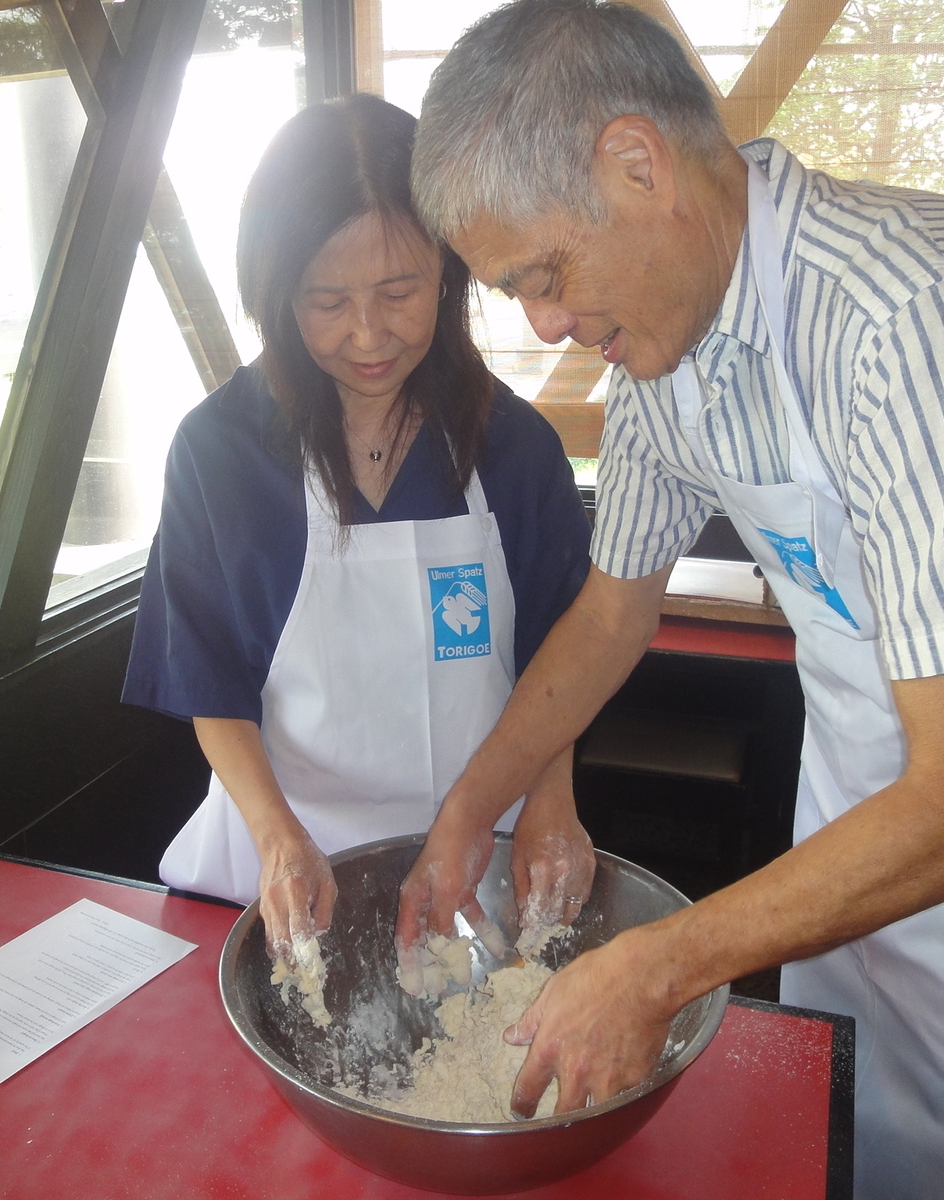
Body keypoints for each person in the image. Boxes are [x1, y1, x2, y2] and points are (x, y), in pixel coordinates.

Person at [395, 3, 944, 1197]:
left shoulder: (912, 320)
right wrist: (470, 809)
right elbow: (613, 618)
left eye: (545, 274)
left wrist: (660, 964)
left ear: (637, 163)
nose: (545, 324)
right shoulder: (665, 356)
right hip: (865, 760)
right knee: (842, 1100)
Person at [123, 94, 595, 964]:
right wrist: (275, 838)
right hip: (279, 878)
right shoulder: (219, 453)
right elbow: (208, 681)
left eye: (399, 290)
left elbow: (561, 659)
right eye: (326, 301)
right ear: (276, 295)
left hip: (472, 865)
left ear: (449, 273)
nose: (369, 334)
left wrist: (552, 802)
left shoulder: (513, 447)